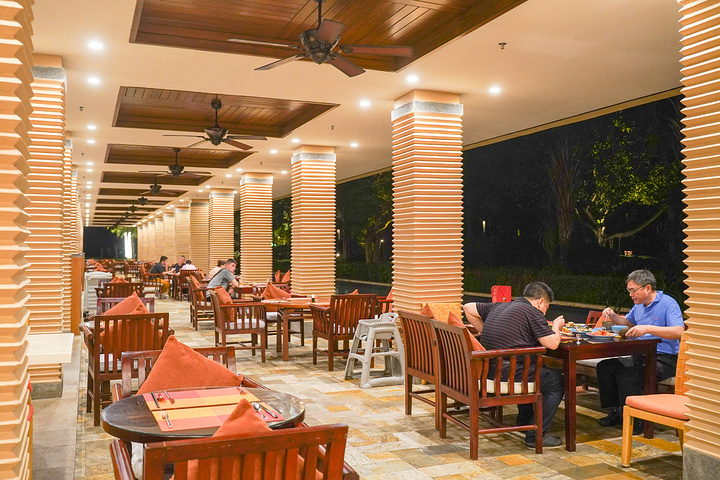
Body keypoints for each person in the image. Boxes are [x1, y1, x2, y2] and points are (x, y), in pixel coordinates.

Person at [475, 282, 566, 448]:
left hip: (488, 371)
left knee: (533, 368)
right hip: (507, 375)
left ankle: (524, 421)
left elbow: (468, 308)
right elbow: (553, 344)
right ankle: (536, 435)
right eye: (546, 307)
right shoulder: (533, 312)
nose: (544, 311)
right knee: (555, 380)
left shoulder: (499, 306)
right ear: (540, 302)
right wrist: (556, 326)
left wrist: (484, 329)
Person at [596, 269, 684, 434]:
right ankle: (617, 411)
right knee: (605, 367)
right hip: (640, 356)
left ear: (647, 288)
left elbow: (679, 331)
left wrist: (648, 328)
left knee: (627, 374)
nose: (630, 294)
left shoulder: (668, 303)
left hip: (664, 359)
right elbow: (627, 322)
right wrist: (613, 315)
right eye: (629, 290)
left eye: (633, 290)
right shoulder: (639, 306)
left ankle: (636, 421)